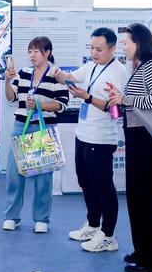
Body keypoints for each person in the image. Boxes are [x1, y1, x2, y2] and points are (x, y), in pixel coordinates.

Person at [53, 28, 127, 253]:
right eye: (92, 48)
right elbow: (73, 77)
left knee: (104, 186)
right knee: (85, 181)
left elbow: (114, 109)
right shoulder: (92, 66)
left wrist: (86, 97)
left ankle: (108, 236)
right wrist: (59, 74)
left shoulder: (119, 72)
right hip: (83, 134)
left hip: (101, 138)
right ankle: (94, 225)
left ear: (112, 48)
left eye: (99, 49)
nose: (94, 53)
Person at [107, 23, 152, 272]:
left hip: (146, 140)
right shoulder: (141, 67)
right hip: (137, 138)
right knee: (137, 198)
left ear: (139, 43)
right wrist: (121, 98)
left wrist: (125, 99)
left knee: (146, 200)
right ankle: (143, 250)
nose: (124, 46)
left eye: (127, 42)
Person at [3, 36, 69, 233]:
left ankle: (41, 219)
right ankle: (11, 217)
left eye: (36, 51)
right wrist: (7, 81)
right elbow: (11, 98)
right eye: (30, 51)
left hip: (44, 128)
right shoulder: (24, 73)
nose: (32, 55)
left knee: (43, 176)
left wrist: (41, 104)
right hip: (20, 126)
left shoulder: (57, 74)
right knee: (14, 174)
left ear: (47, 53)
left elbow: (62, 104)